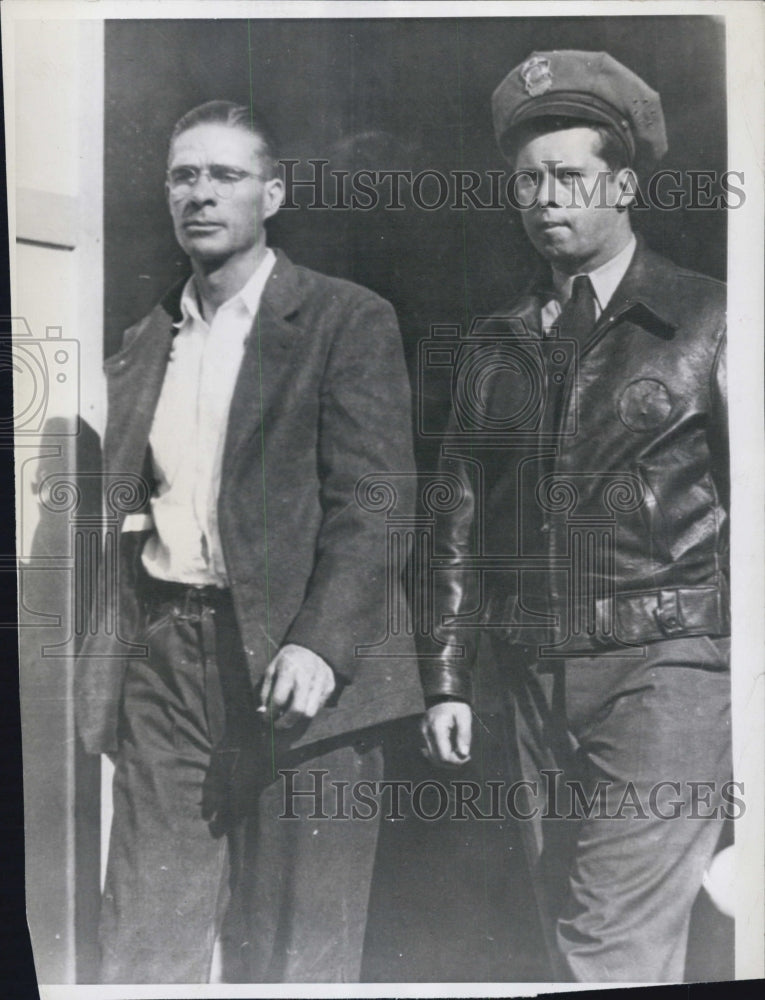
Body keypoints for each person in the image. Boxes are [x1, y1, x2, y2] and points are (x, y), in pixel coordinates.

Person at [75, 100, 422, 984]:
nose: (200, 194)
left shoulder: (346, 320)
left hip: (305, 668)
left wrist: (318, 640)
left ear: (272, 193)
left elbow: (377, 502)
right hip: (170, 664)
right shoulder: (144, 342)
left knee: (292, 953)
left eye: (225, 176)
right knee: (143, 940)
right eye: (183, 176)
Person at [420, 51, 730, 982]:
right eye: (527, 181)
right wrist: (445, 676)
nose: (544, 198)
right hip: (530, 683)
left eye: (569, 176)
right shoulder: (496, 340)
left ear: (624, 183)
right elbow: (455, 517)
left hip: (666, 672)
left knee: (609, 944)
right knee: (565, 933)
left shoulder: (710, 318)